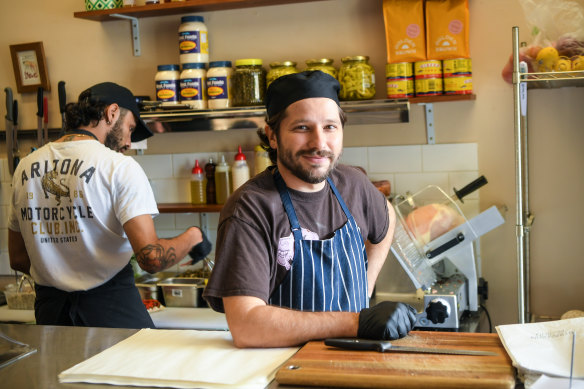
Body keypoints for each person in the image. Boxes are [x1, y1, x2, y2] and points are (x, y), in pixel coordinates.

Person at [203, 71, 417, 348]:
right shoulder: (251, 208)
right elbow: (246, 326)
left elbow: (386, 215)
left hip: (353, 359)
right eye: (302, 128)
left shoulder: (353, 184)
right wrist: (356, 322)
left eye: (330, 127)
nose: (319, 143)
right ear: (272, 136)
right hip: (283, 369)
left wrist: (365, 286)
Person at [8, 82, 211, 329]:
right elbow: (152, 259)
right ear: (111, 112)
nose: (128, 143)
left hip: (51, 316)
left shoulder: (25, 167)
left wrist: (59, 271)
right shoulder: (119, 167)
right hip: (110, 312)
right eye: (130, 129)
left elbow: (18, 258)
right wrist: (193, 236)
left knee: (58, 369)